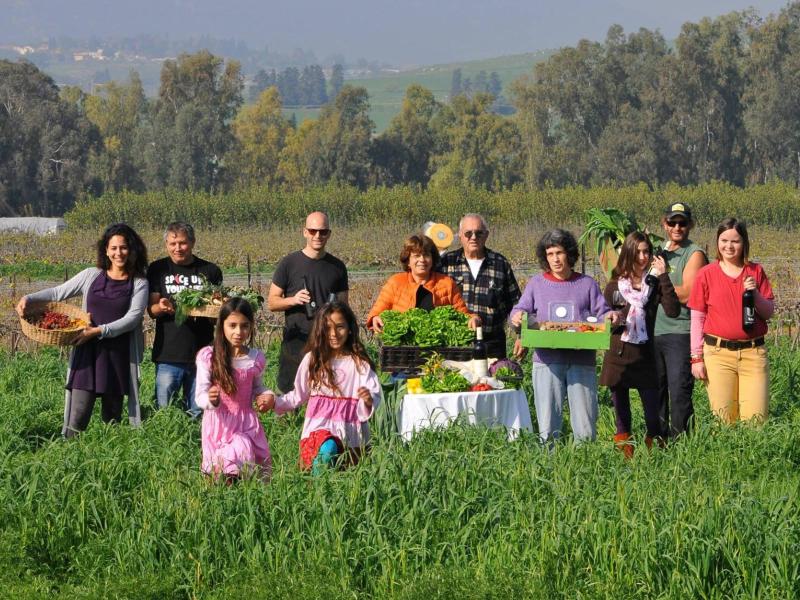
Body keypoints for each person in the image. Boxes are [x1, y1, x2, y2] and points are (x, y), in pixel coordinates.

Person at [16, 223, 149, 437]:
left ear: (132, 250)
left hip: (117, 356)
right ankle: (69, 455)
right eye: (113, 248)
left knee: (112, 418)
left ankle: (108, 461)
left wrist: (98, 331)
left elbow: (132, 318)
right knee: (77, 416)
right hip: (87, 353)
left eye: (123, 247)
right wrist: (29, 298)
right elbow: (59, 292)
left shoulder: (139, 283)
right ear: (106, 250)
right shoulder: (91, 275)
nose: (118, 253)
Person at [510, 228, 616, 444]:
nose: (555, 259)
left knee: (585, 426)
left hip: (581, 361)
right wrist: (517, 317)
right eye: (550, 254)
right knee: (548, 425)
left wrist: (611, 316)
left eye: (559, 253)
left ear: (569, 253)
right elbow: (519, 310)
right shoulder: (536, 284)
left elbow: (603, 313)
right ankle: (549, 468)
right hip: (547, 361)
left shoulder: (586, 284)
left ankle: (584, 466)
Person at [274, 301, 382, 473]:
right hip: (319, 428)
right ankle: (317, 491)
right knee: (327, 450)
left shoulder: (359, 365)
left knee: (345, 479)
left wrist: (367, 400)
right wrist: (275, 402)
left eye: (340, 327)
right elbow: (298, 395)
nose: (333, 333)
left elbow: (375, 395)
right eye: (327, 328)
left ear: (349, 329)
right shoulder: (313, 360)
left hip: (349, 431)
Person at [599, 232, 681, 457]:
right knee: (622, 416)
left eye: (646, 252)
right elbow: (604, 316)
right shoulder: (615, 286)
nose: (643, 257)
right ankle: (626, 461)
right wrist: (612, 318)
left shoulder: (653, 284)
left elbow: (673, 311)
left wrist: (663, 276)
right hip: (619, 355)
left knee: (653, 415)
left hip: (645, 355)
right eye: (638, 252)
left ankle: (656, 460)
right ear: (628, 254)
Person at [688, 218, 774, 424]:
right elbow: (698, 319)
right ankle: (727, 456)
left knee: (756, 420)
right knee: (724, 420)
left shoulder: (756, 271)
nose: (729, 246)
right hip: (718, 355)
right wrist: (696, 358)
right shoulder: (706, 274)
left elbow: (768, 311)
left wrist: (754, 293)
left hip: (753, 354)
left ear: (744, 243)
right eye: (724, 240)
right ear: (717, 242)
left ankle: (754, 455)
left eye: (735, 241)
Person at [195, 297, 275, 481]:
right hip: (218, 424)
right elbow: (200, 395)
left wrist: (266, 396)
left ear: (251, 326)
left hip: (245, 424)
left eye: (244, 326)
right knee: (218, 474)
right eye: (232, 325)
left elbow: (257, 387)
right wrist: (211, 399)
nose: (238, 332)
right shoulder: (209, 357)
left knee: (242, 460)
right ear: (221, 326)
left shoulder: (255, 358)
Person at [147, 221, 223, 416]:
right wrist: (161, 307)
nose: (177, 248)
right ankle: (166, 444)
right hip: (168, 354)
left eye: (182, 243)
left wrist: (216, 310)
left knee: (198, 410)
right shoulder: (158, 269)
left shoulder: (210, 271)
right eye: (172, 244)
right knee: (165, 411)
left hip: (202, 355)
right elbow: (151, 310)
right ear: (166, 244)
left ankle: (198, 445)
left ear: (192, 243)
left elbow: (217, 316)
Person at [268, 211, 348, 393]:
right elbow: (272, 303)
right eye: (313, 231)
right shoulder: (289, 263)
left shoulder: (337, 267)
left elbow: (344, 307)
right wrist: (293, 300)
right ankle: (289, 422)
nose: (317, 236)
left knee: (325, 391)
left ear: (329, 234)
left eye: (323, 232)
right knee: (289, 392)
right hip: (296, 341)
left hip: (327, 341)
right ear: (305, 232)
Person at [653, 202, 707, 437]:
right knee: (656, 390)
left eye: (682, 223)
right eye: (672, 222)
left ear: (690, 225)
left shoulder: (693, 253)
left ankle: (682, 443)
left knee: (679, 391)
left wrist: (655, 288)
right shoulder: (657, 250)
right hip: (653, 331)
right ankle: (659, 441)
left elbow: (688, 292)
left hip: (679, 332)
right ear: (664, 224)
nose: (677, 227)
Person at [439, 213, 521, 358]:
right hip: (454, 344)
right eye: (468, 233)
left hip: (492, 344)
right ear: (460, 235)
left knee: (490, 381)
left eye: (479, 233)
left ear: (486, 235)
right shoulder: (446, 263)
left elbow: (516, 305)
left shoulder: (499, 263)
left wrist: (522, 336)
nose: (473, 237)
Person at [367, 234, 480, 332]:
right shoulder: (395, 282)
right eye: (416, 255)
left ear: (432, 259)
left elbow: (463, 314)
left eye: (426, 255)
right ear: (408, 261)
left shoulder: (447, 283)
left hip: (438, 349)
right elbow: (378, 310)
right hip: (403, 350)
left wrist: (473, 318)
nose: (422, 260)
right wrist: (375, 318)